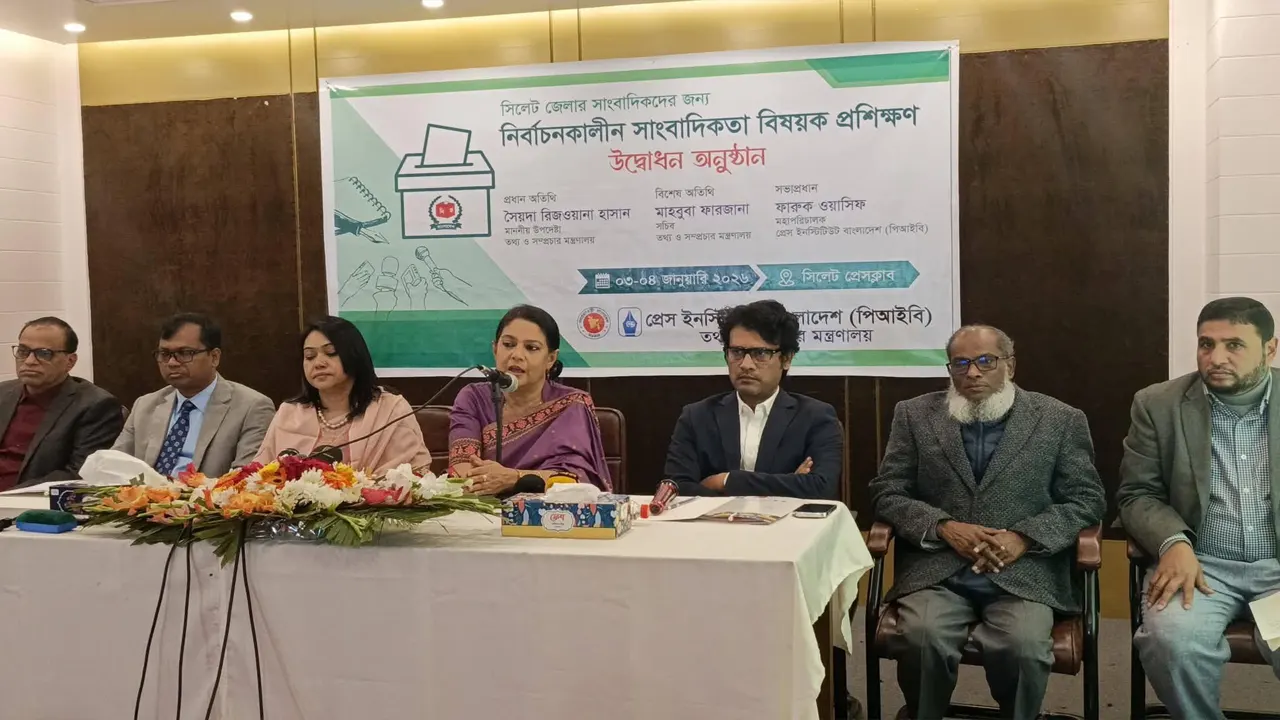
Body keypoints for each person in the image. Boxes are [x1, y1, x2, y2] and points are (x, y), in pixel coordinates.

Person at [869, 325, 1105, 720]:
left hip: (1023, 572)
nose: (973, 372)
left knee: (1023, 645)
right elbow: (887, 491)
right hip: (939, 569)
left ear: (1009, 366)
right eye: (960, 363)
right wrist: (944, 527)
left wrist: (1024, 537)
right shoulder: (914, 414)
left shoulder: (1059, 419)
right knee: (922, 637)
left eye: (985, 361)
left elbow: (1087, 499)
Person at [1118, 297, 1280, 719]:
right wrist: (1173, 542)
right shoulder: (1158, 404)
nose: (1216, 358)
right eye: (1206, 344)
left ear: (1270, 349)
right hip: (1201, 566)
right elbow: (1137, 493)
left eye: (1234, 345)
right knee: (1171, 643)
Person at [663, 299, 842, 498]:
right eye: (737, 352)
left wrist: (725, 481)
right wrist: (787, 483)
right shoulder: (696, 416)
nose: (746, 364)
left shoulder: (816, 417)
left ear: (786, 359)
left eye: (760, 353)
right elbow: (676, 489)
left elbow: (820, 487)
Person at [450, 304, 611, 494]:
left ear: (550, 359)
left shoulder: (573, 404)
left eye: (531, 348)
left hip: (551, 509)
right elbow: (463, 471)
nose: (517, 355)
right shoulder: (474, 398)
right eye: (508, 345)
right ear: (495, 349)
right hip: (484, 505)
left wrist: (514, 478)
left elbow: (576, 480)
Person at [254, 316, 430, 474]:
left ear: (353, 355)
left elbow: (412, 475)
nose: (319, 363)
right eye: (309, 356)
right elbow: (258, 475)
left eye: (331, 353)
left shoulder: (390, 409)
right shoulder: (289, 413)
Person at [112, 313, 274, 477]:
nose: (172, 363)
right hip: (141, 493)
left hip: (207, 493)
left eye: (184, 353)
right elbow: (112, 466)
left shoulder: (252, 408)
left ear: (214, 357)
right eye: (165, 354)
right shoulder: (145, 405)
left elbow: (244, 479)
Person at [0, 317, 124, 491]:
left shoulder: (96, 405)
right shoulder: (3, 393)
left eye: (44, 353)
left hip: (31, 500)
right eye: (23, 351)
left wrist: (7, 495)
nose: (29, 361)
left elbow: (79, 473)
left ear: (70, 361)